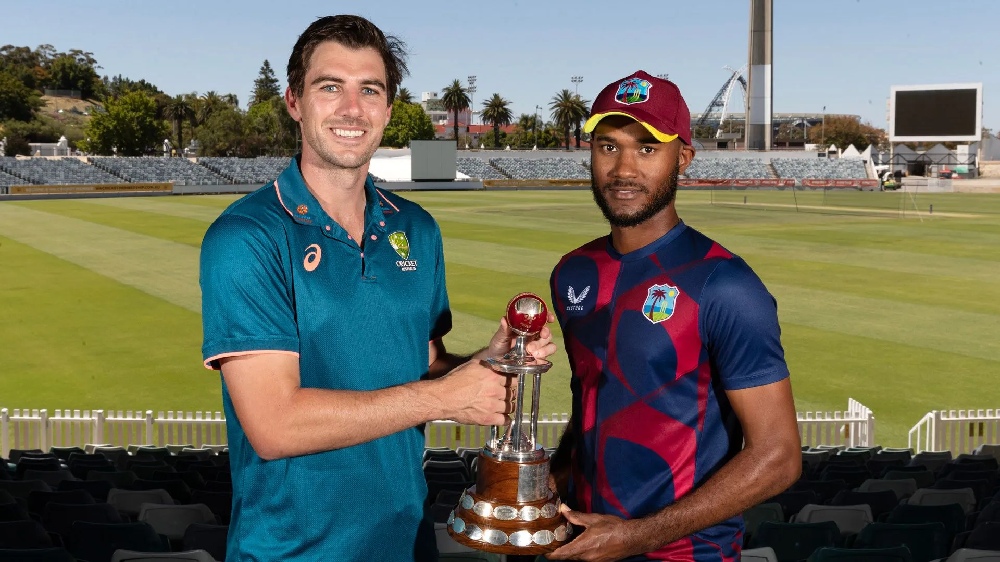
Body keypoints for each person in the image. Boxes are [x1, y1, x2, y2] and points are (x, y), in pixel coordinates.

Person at [199, 15, 554, 561]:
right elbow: (273, 425)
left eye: (369, 89)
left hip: (405, 543)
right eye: (330, 87)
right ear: (294, 101)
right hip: (291, 551)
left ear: (388, 108)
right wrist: (442, 398)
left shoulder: (416, 228)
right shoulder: (247, 237)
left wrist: (488, 362)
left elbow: (424, 362)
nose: (351, 108)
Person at [545, 71, 801, 561]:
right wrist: (550, 483)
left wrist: (637, 537)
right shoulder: (573, 271)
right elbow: (595, 406)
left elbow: (779, 457)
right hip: (585, 545)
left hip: (686, 554)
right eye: (607, 146)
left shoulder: (725, 285)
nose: (622, 169)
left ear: (682, 156)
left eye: (647, 148)